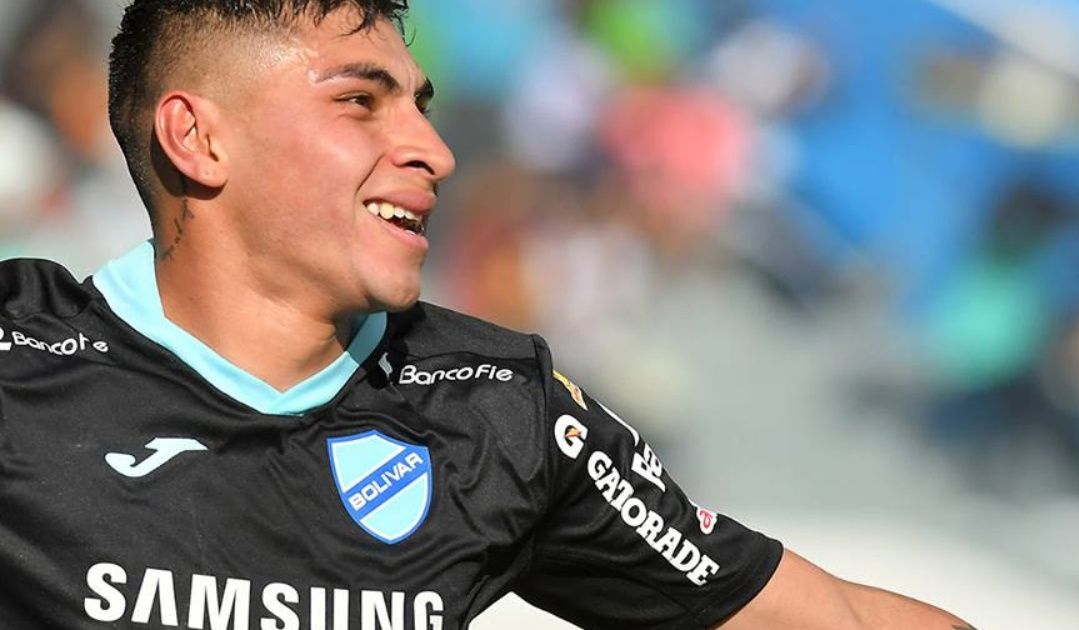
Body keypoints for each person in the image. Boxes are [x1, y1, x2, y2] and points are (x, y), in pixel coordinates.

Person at [0, 1, 975, 628]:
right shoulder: (20, 358)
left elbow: (835, 619)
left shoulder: (499, 408)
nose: (433, 149)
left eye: (419, 104)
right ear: (199, 138)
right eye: (361, 102)